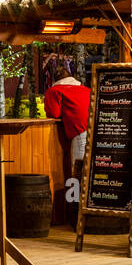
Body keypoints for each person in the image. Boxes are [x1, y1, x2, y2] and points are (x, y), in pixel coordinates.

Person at [43, 72, 91, 222]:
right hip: (101, 130)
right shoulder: (85, 89)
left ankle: (76, 214)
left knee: (77, 172)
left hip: (81, 133)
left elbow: (53, 113)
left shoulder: (55, 91)